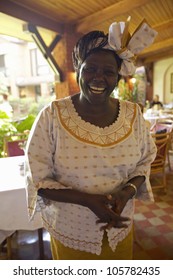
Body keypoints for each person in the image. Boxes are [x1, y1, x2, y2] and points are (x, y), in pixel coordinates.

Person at [25, 17, 157, 260]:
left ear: (117, 78)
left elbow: (145, 161)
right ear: (79, 71)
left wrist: (127, 191)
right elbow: (38, 178)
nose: (99, 78)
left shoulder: (133, 115)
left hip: (120, 225)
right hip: (71, 229)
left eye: (108, 72)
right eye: (90, 69)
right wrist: (87, 200)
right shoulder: (52, 116)